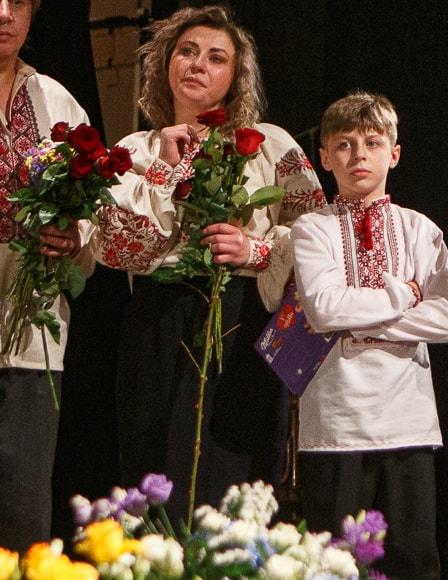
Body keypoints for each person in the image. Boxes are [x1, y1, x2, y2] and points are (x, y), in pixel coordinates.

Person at [97, 5, 325, 521]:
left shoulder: (271, 146)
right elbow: (113, 248)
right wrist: (166, 173)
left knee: (235, 472)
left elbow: (319, 237)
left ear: (234, 76)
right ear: (165, 64)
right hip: (158, 320)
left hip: (241, 318)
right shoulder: (135, 150)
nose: (198, 64)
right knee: (153, 467)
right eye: (187, 51)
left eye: (216, 57)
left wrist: (257, 250)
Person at [291, 91, 448, 580]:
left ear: (394, 153)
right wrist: (402, 296)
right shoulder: (312, 229)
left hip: (408, 422)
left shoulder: (421, 229)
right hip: (336, 424)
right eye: (343, 144)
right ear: (324, 157)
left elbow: (444, 322)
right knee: (332, 563)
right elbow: (323, 309)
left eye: (371, 142)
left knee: (413, 559)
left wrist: (358, 310)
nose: (358, 155)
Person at [0, 0, 92, 552]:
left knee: (21, 502)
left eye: (17, 1)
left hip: (31, 333)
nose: (4, 13)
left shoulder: (54, 100)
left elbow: (93, 206)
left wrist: (74, 234)